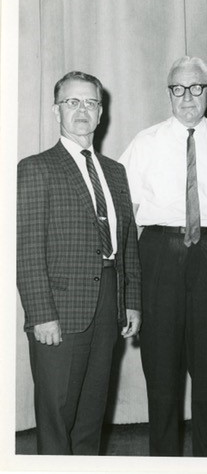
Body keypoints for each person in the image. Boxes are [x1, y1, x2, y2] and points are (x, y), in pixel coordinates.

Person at [17, 71, 141, 455]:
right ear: (57, 111)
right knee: (57, 415)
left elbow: (128, 244)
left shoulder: (115, 172)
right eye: (73, 102)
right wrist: (41, 315)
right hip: (59, 310)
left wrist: (131, 300)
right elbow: (26, 250)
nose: (82, 110)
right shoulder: (37, 168)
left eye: (90, 102)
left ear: (101, 113)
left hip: (108, 305)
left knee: (92, 413)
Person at [119, 56, 207, 456]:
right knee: (162, 374)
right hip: (158, 257)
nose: (188, 97)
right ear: (169, 93)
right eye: (178, 89)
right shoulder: (144, 142)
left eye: (196, 88)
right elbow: (122, 216)